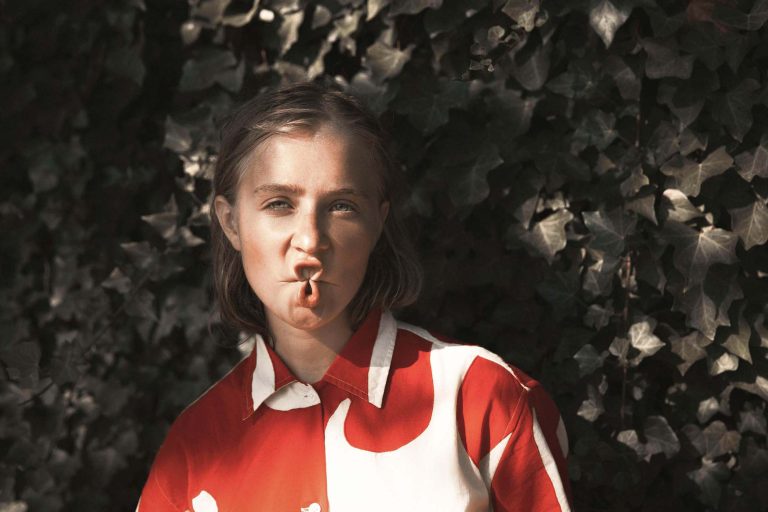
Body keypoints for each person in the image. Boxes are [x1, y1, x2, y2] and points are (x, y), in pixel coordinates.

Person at [136, 82, 572, 512]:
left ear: (377, 223)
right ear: (231, 222)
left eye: (342, 206)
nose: (309, 240)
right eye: (279, 204)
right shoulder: (193, 446)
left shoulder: (478, 395)